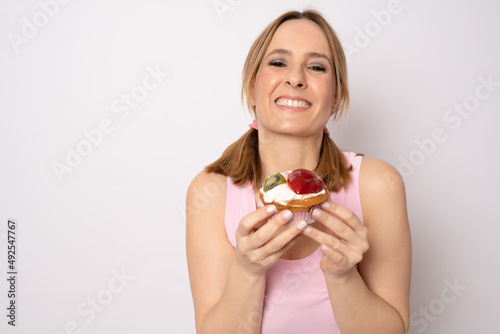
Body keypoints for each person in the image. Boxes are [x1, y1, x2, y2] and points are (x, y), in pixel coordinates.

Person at [186, 9, 411, 334]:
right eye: (278, 62)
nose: (296, 78)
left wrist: (342, 275)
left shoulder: (378, 185)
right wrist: (247, 270)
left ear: (336, 97)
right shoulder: (211, 192)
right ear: (251, 87)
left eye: (317, 66)